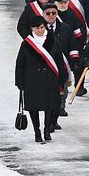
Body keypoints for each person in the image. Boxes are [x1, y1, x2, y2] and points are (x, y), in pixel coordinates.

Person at [15, 15, 68, 143]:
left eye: (41, 27)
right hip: (32, 80)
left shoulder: (53, 41)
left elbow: (59, 62)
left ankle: (46, 130)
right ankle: (37, 131)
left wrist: (62, 79)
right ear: (32, 29)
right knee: (33, 107)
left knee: (50, 106)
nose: (39, 30)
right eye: (36, 28)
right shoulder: (26, 43)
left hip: (50, 79)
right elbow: (20, 64)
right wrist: (20, 82)